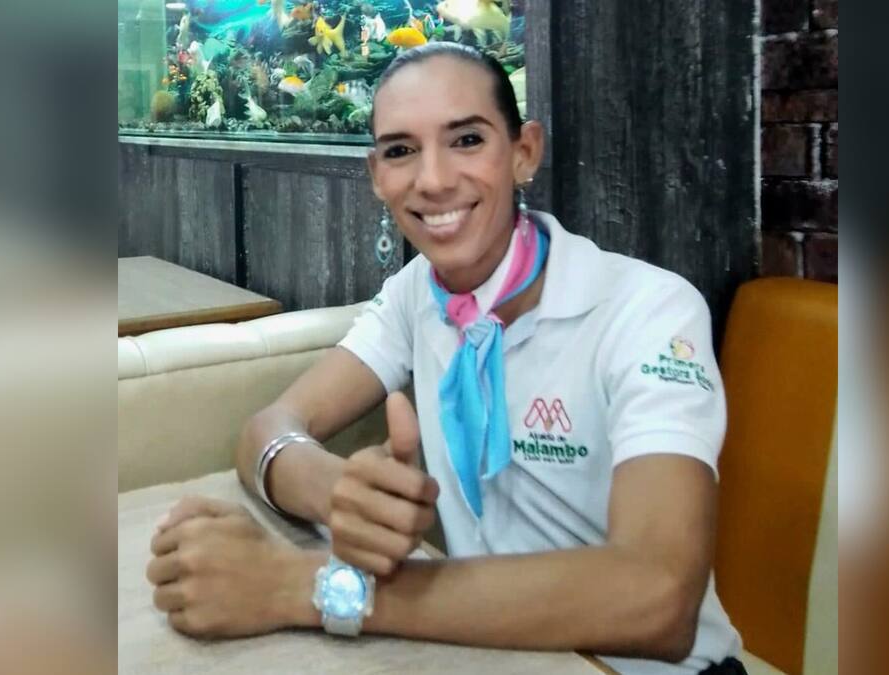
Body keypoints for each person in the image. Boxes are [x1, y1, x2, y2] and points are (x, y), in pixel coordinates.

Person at [146, 42, 745, 675]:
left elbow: (658, 598)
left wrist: (299, 587)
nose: (432, 180)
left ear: (524, 152)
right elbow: (266, 429)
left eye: (467, 140)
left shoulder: (647, 311)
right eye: (401, 151)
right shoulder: (417, 297)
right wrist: (335, 492)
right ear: (376, 174)